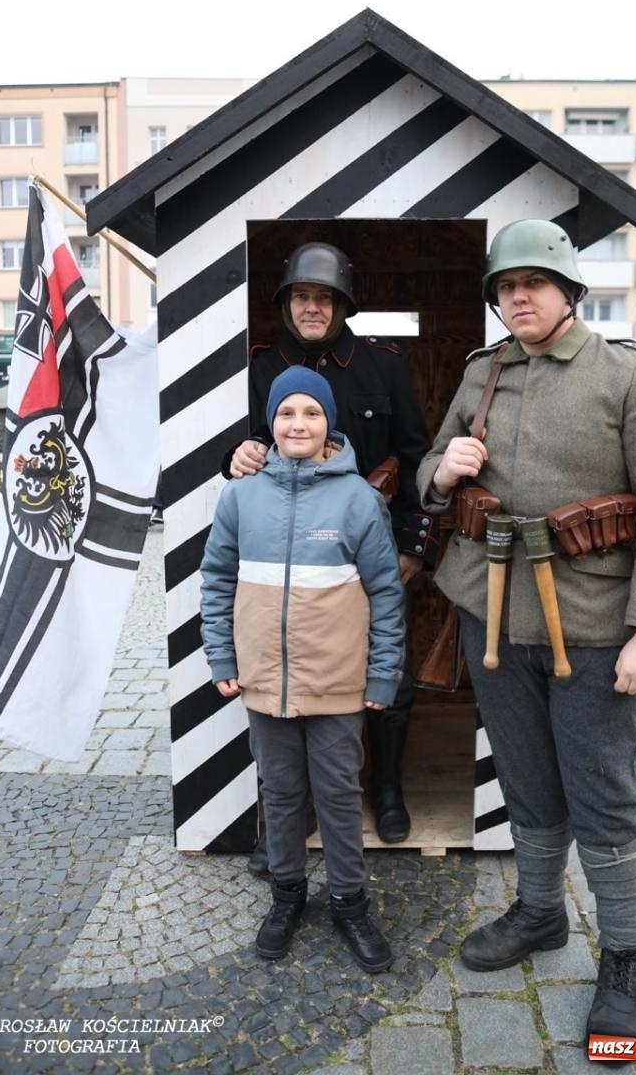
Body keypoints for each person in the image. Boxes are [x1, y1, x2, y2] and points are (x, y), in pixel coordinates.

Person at [416, 219, 636, 1053]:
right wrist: (443, 471)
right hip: (494, 619)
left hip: (597, 626)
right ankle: (541, 912)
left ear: (569, 290)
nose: (519, 298)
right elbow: (433, 474)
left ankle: (624, 960)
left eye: (534, 283)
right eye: (506, 287)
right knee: (527, 780)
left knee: (602, 793)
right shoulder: (484, 373)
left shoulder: (627, 374)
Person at [228, 241, 437, 853]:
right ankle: (298, 811)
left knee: (389, 672)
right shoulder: (259, 367)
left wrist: (411, 547)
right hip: (291, 554)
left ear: (343, 305)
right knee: (293, 675)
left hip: (371, 548)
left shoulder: (383, 365)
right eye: (301, 296)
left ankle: (388, 788)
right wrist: (235, 454)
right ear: (286, 303)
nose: (312, 308)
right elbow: (245, 446)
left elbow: (417, 457)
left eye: (324, 297)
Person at [201, 367, 404, 971]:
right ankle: (286, 894)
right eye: (286, 413)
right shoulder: (240, 497)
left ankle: (349, 902)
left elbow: (386, 593)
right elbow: (216, 581)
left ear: (329, 422)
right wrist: (222, 656)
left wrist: (383, 674)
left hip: (337, 681)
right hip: (264, 680)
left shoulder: (359, 499)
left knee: (339, 794)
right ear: (271, 422)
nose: (298, 424)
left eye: (311, 413)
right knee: (281, 793)